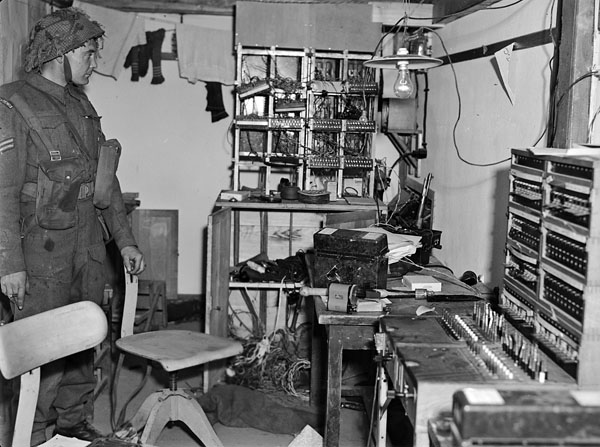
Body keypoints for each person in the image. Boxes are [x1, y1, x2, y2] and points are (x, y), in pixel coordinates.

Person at [0, 7, 145, 444]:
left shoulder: (82, 104)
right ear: (59, 52)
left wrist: (125, 242)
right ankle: (36, 433)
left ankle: (72, 424)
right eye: (89, 51)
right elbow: (2, 192)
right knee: (43, 344)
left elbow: (106, 180)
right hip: (40, 247)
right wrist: (9, 264)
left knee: (87, 339)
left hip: (86, 243)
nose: (95, 61)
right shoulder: (12, 102)